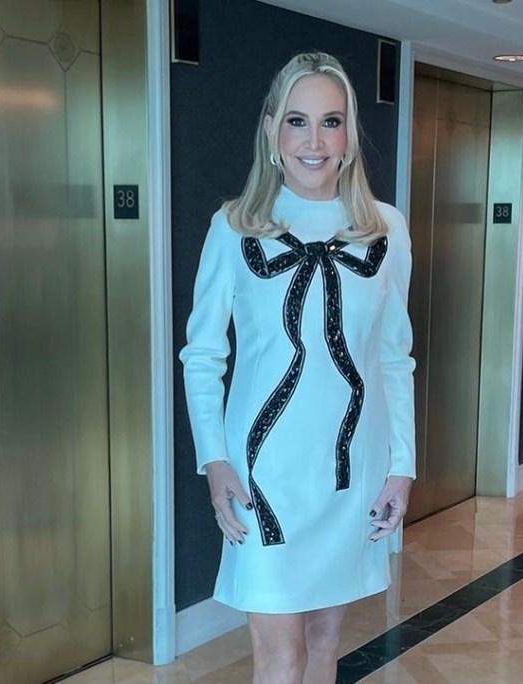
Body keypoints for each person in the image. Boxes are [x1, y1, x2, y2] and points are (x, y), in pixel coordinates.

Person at [179, 51, 415, 684]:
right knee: (280, 656)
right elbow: (203, 355)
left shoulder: (387, 229)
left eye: (331, 122)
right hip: (264, 472)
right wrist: (214, 460)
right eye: (297, 121)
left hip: (352, 469)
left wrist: (402, 466)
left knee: (323, 642)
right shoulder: (234, 227)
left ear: (349, 135)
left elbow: (394, 357)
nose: (314, 142)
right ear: (271, 131)